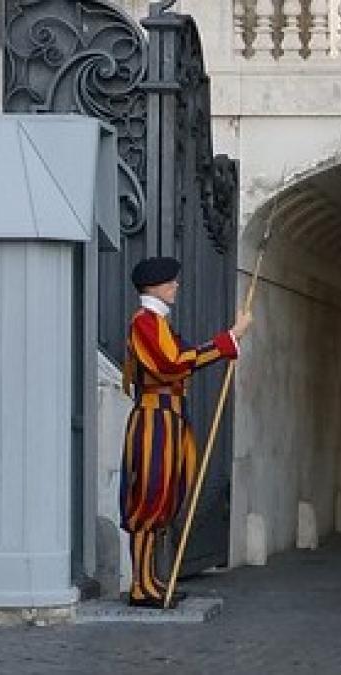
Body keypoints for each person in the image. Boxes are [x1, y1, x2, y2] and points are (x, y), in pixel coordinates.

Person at [120, 256, 252, 608]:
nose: (176, 286)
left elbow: (178, 358)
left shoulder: (157, 323)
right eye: (171, 282)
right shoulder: (144, 323)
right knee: (149, 499)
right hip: (154, 419)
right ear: (156, 285)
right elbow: (172, 363)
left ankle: (152, 579)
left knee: (165, 499)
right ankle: (141, 584)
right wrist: (228, 340)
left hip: (170, 418)